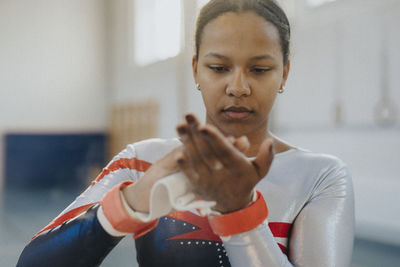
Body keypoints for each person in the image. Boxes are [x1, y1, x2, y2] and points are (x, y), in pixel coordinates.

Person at [17, 0, 354, 266]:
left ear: (284, 74)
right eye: (219, 68)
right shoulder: (142, 162)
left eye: (260, 69)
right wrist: (130, 203)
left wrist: (240, 213)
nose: (238, 87)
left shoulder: (321, 176)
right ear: (196, 69)